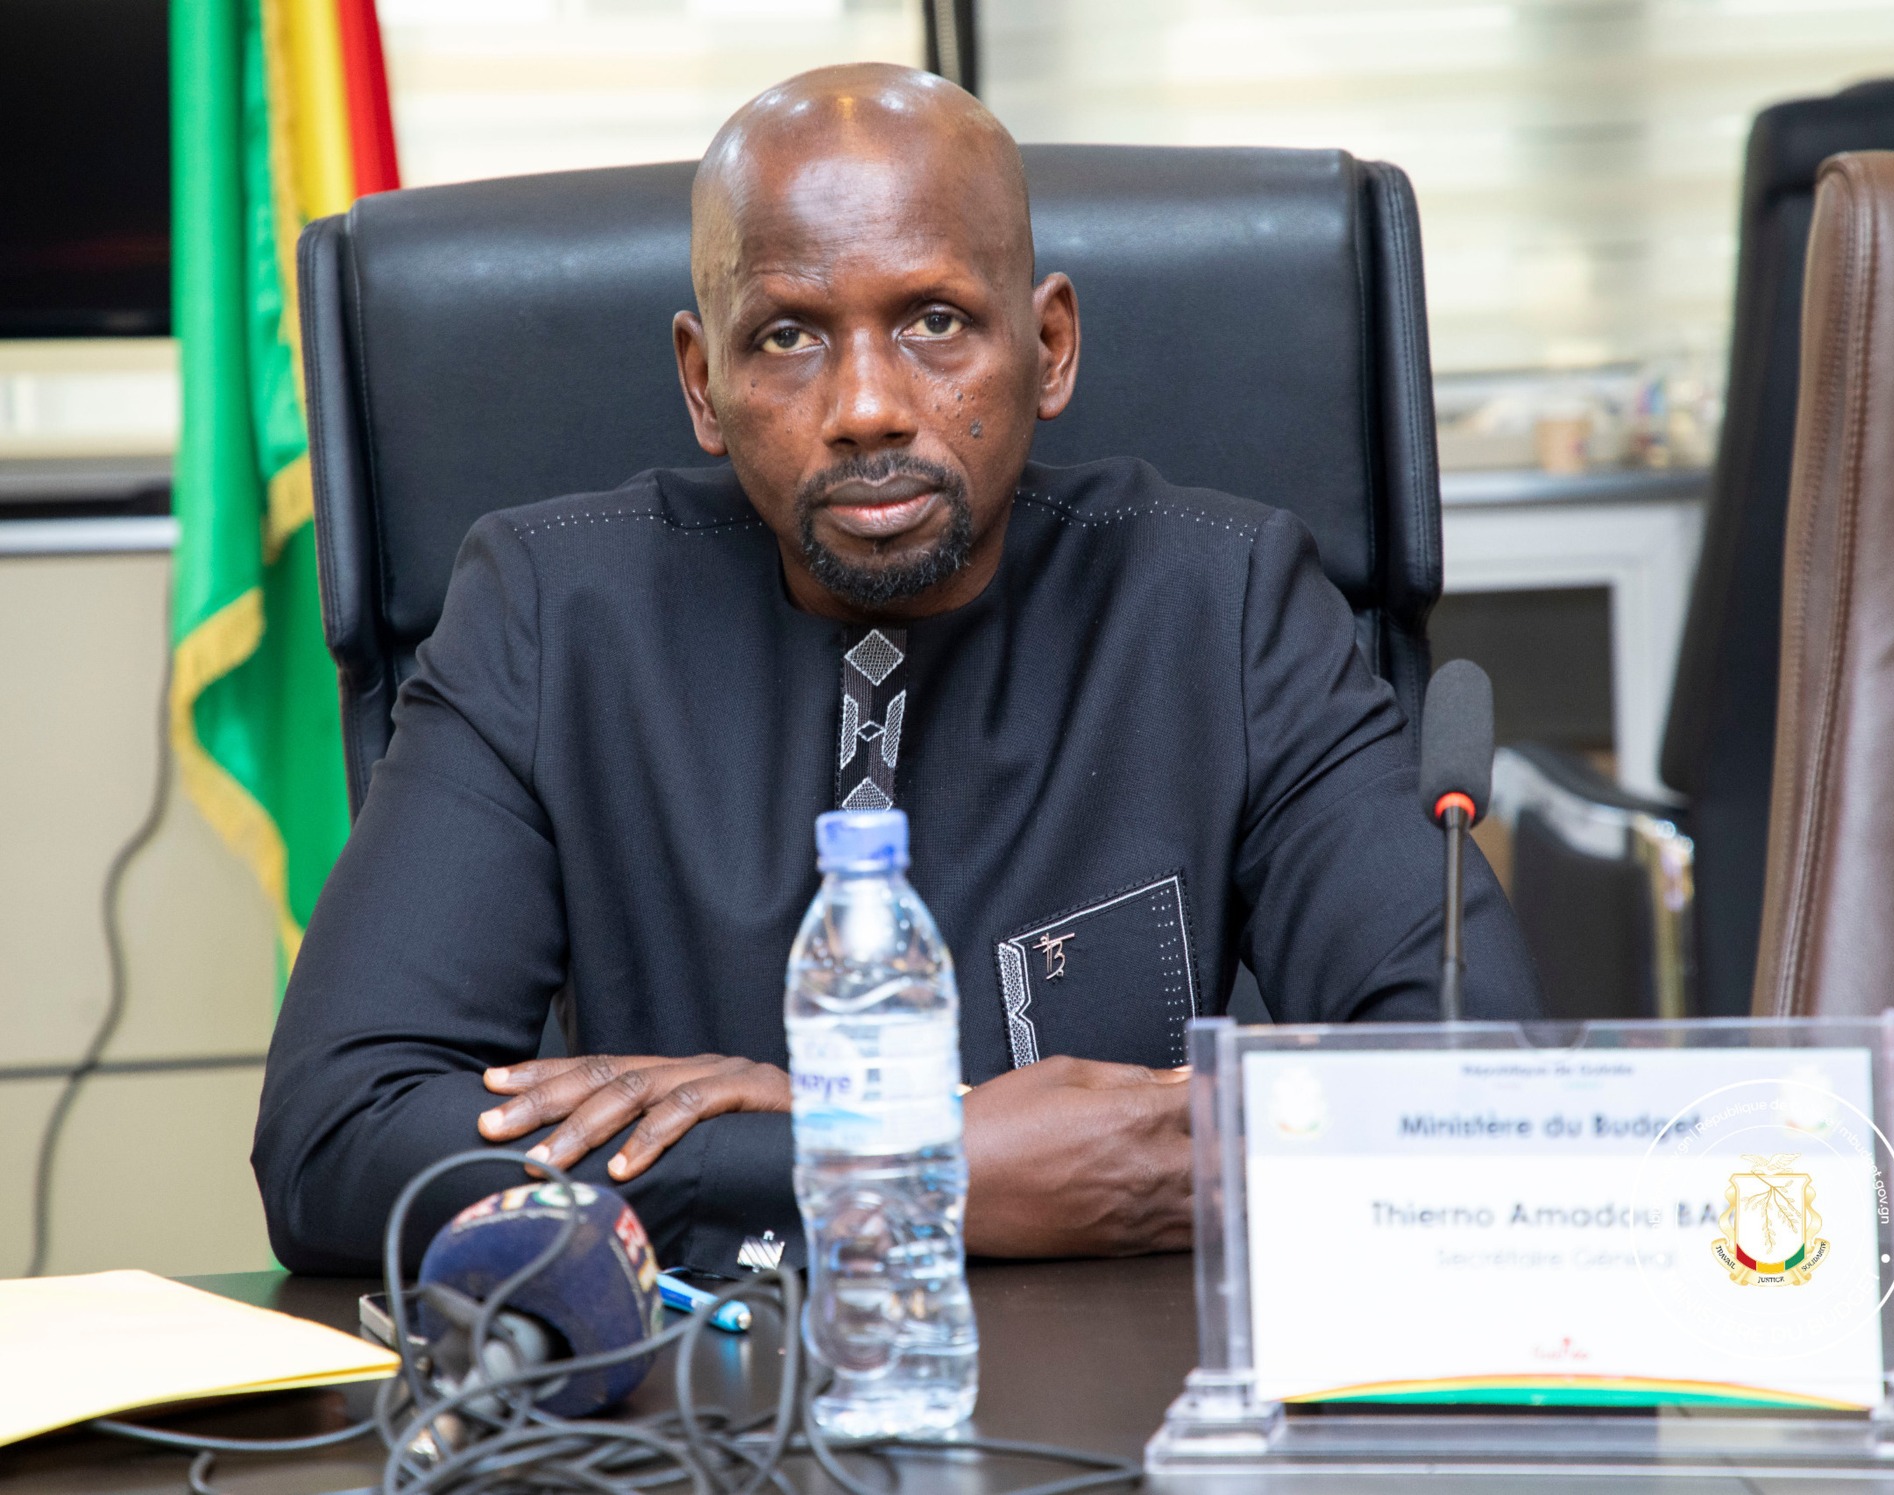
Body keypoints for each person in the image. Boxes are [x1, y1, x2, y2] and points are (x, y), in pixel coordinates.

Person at [253, 62, 1542, 1276]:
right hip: (716, 1392)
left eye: (934, 321)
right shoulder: (549, 617)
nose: (867, 405)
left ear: (1050, 345)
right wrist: (902, 1165)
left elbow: (1478, 1088)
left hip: (1137, 1392)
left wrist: (777, 1153)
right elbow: (339, 1138)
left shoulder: (1224, 602)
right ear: (704, 385)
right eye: (788, 337)